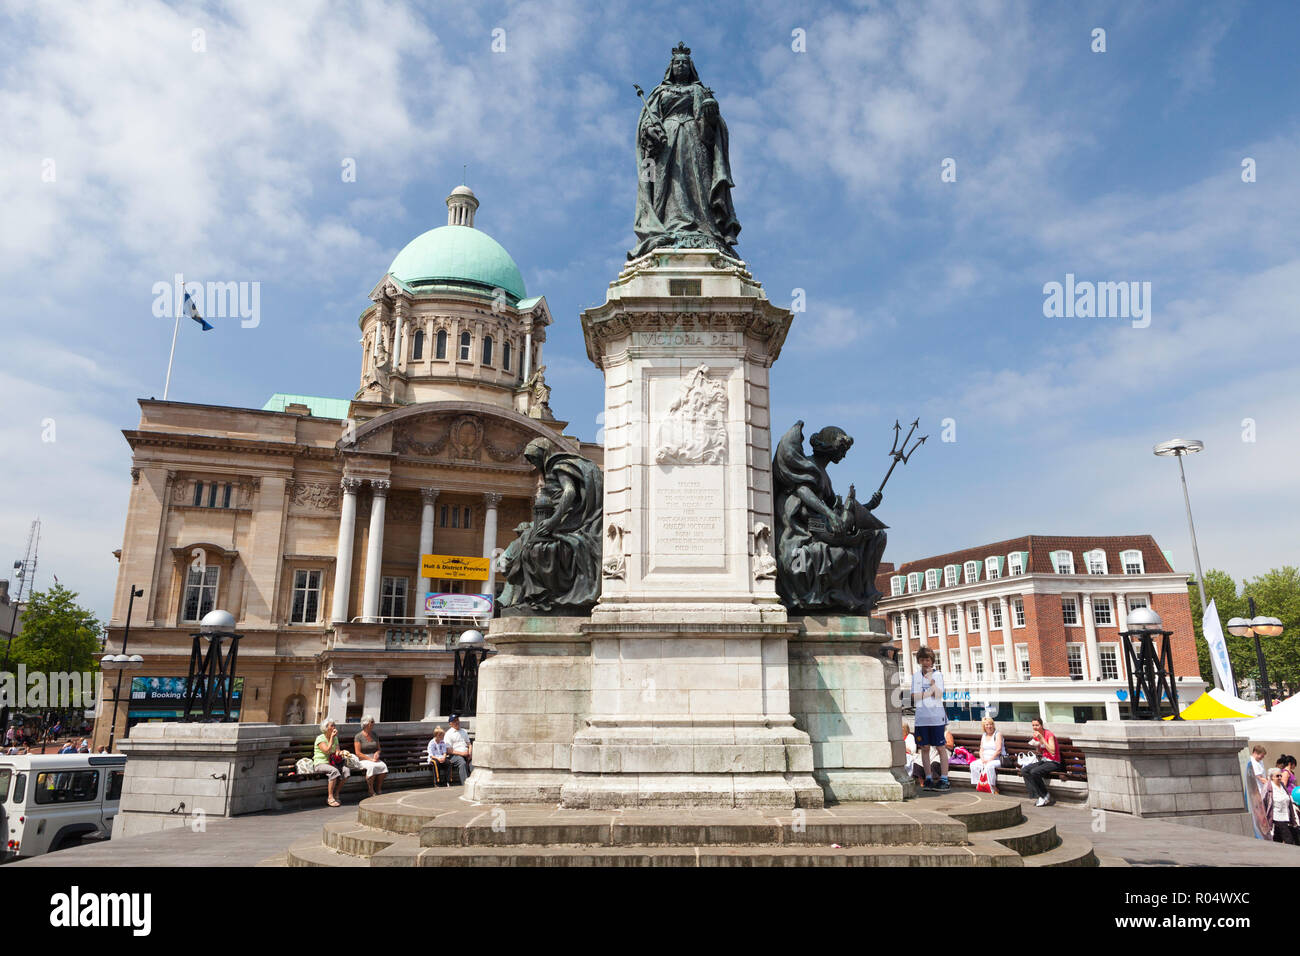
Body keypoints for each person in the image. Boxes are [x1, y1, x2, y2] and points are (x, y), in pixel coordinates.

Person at [910, 648, 949, 791]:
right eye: (922, 660)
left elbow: (938, 695)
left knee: (940, 747)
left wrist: (932, 683)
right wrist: (928, 693)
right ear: (919, 661)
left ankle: (944, 779)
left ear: (932, 661)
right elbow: (914, 696)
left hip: (937, 717)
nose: (925, 663)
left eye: (927, 660)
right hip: (921, 718)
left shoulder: (938, 675)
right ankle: (928, 778)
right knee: (924, 748)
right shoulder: (915, 676)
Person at [1024, 717, 1063, 807]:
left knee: (1034, 772)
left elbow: (1052, 751)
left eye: (1037, 725)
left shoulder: (1049, 735)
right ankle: (1040, 795)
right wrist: (1036, 745)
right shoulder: (1036, 735)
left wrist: (1042, 739)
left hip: (1054, 762)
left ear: (1041, 725)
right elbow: (1041, 751)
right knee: (1025, 770)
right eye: (1033, 725)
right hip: (1045, 760)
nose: (1035, 727)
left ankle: (1044, 795)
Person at [313, 718, 350, 807]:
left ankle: (336, 793)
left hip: (333, 763)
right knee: (334, 771)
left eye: (334, 725)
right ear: (326, 728)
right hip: (320, 763)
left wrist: (342, 753)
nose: (334, 727)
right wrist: (332, 738)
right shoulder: (320, 738)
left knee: (346, 771)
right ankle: (330, 797)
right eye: (332, 725)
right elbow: (326, 750)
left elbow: (337, 751)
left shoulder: (335, 738)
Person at [353, 716, 388, 797]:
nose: (373, 723)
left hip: (374, 757)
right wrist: (370, 759)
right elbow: (357, 753)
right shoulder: (358, 736)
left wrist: (377, 753)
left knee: (383, 766)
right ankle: (370, 790)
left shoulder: (374, 734)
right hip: (363, 758)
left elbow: (379, 749)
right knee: (371, 767)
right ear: (366, 724)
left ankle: (378, 788)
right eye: (372, 722)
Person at [1264, 768, 1300, 845]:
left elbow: (1288, 800)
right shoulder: (1268, 787)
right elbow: (1263, 801)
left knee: (1278, 837)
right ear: (1272, 777)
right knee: (1288, 838)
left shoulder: (1283, 786)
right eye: (1277, 776)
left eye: (1280, 775)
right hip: (1277, 815)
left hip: (1286, 815)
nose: (1280, 777)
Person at [970, 715, 1004, 794]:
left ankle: (993, 787)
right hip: (985, 758)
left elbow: (998, 750)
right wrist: (982, 759)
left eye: (991, 724)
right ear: (984, 726)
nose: (989, 726)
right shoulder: (984, 735)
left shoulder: (997, 734)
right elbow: (981, 749)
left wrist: (989, 760)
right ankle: (979, 785)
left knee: (989, 766)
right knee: (973, 765)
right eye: (987, 725)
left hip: (996, 759)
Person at [444, 714, 473, 785]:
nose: (456, 722)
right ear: (450, 724)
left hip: (467, 754)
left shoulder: (464, 731)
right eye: (454, 721)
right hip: (455, 755)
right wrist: (462, 754)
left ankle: (474, 782)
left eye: (457, 720)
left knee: (474, 762)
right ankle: (465, 784)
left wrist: (470, 754)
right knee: (462, 762)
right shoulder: (448, 734)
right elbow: (449, 750)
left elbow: (469, 744)